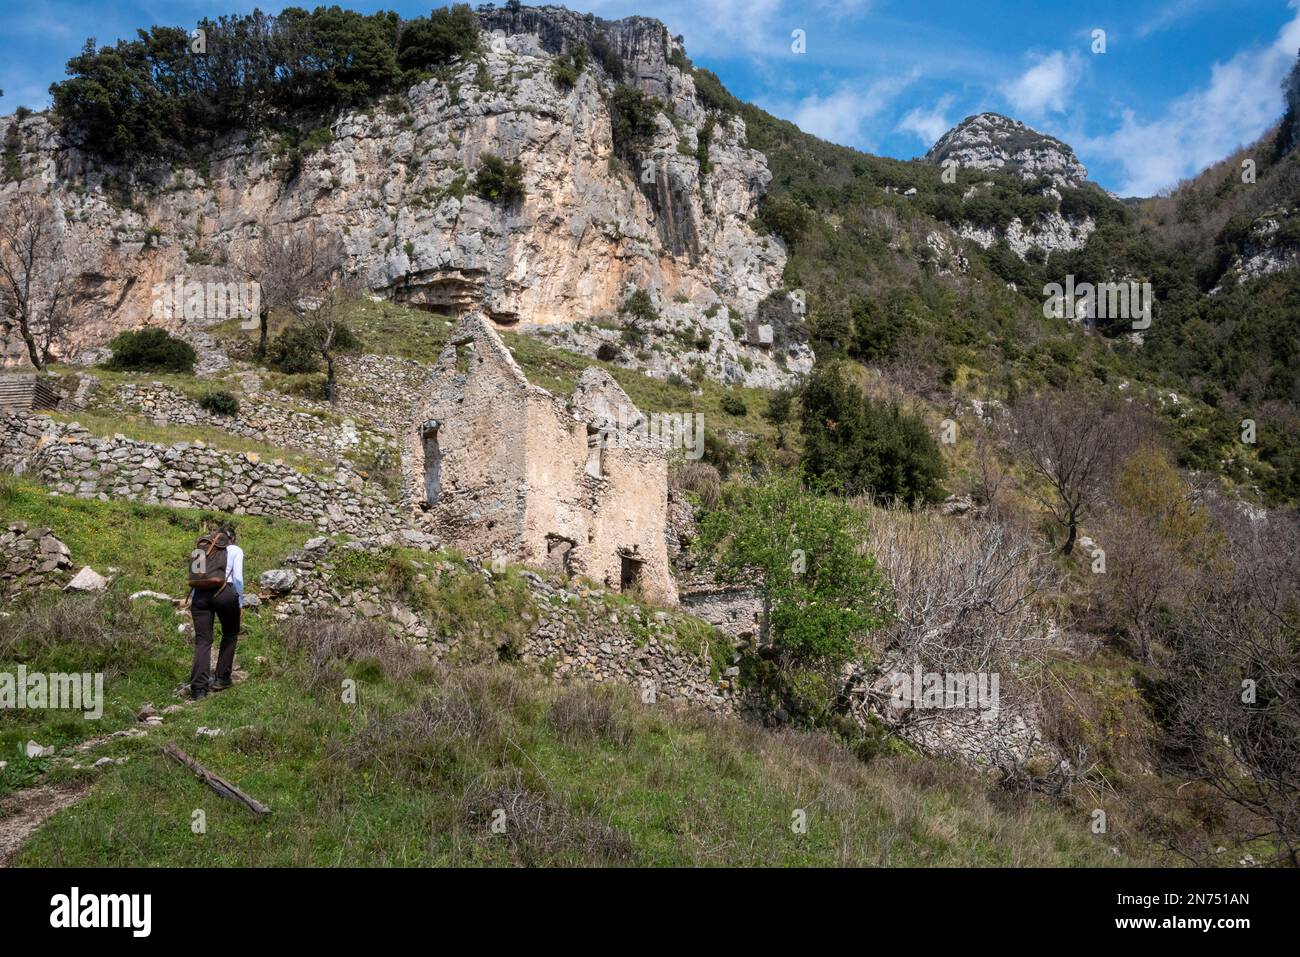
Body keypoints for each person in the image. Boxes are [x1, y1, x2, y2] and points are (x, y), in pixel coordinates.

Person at [189, 525, 244, 700]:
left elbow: (197, 576)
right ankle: (221, 678)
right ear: (232, 538)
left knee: (203, 641)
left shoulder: (204, 546)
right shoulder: (235, 549)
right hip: (224, 592)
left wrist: (194, 598)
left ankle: (198, 689)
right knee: (230, 633)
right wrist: (240, 602)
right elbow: (238, 578)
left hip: (200, 595)